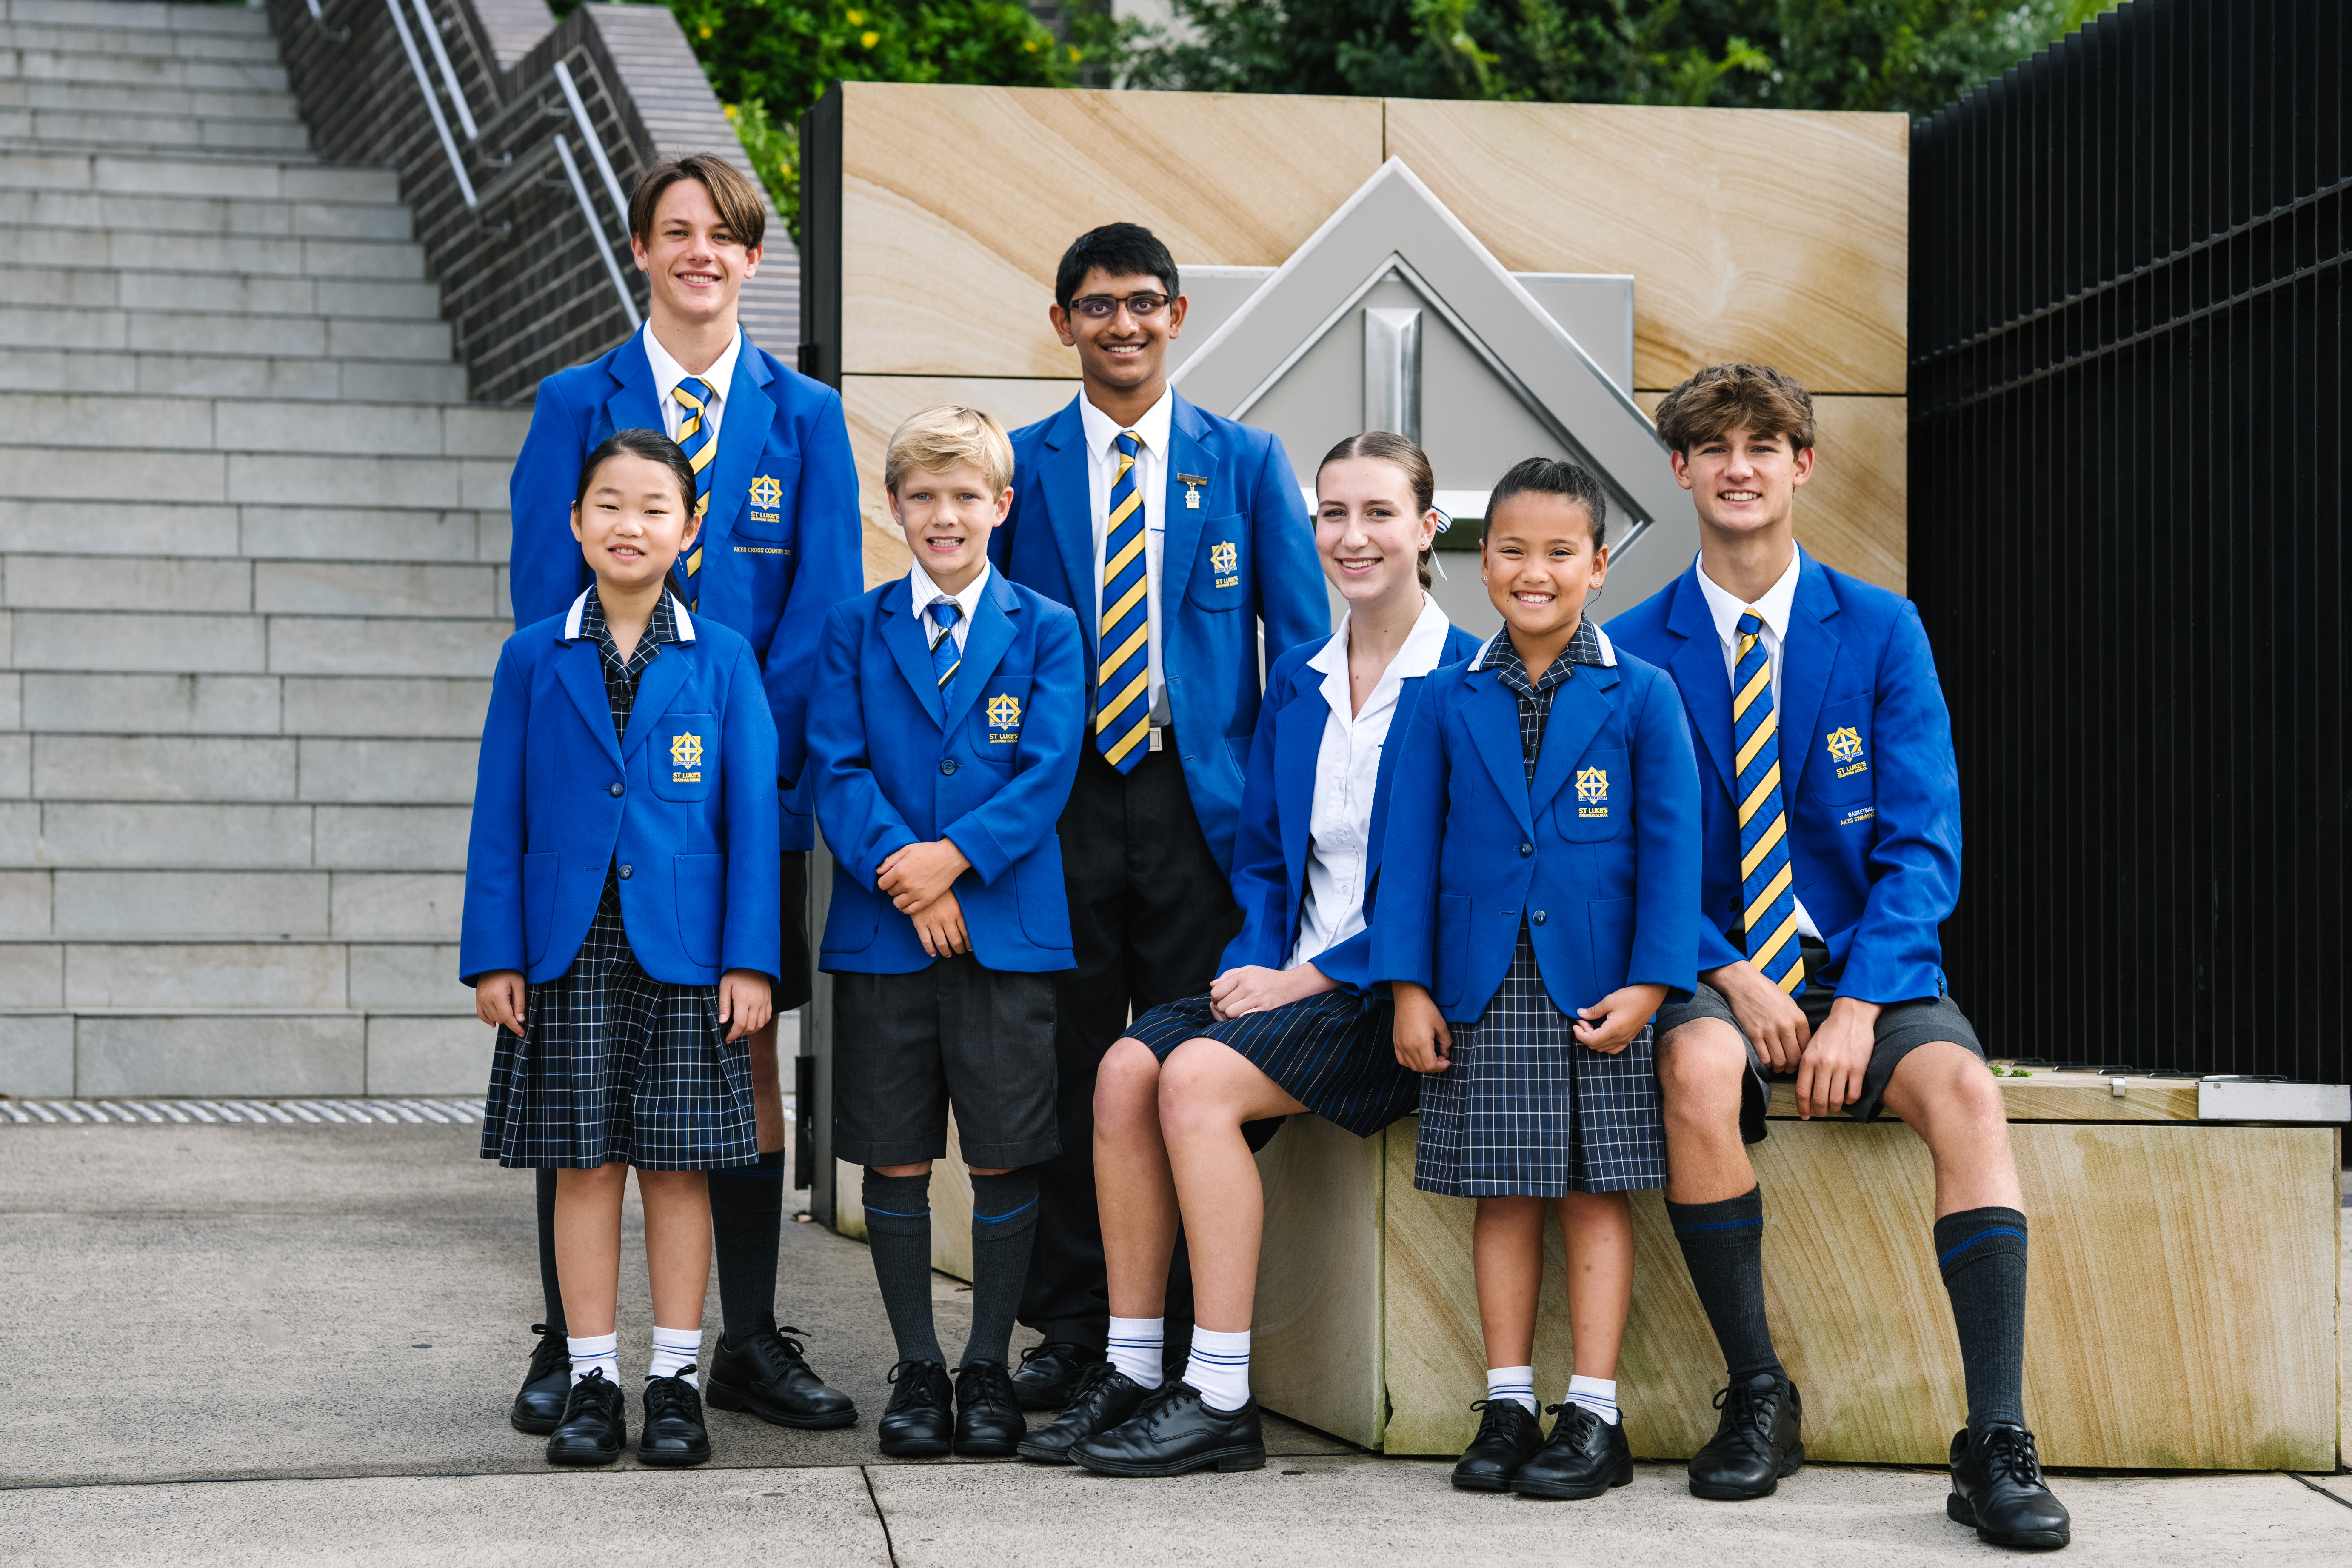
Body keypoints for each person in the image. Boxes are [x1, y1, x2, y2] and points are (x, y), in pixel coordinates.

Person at [1606, 363, 2071, 1548]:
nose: (1741, 465)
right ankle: (1759, 1391)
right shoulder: (1630, 651)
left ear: (1804, 463)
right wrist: (1727, 967)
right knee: (1701, 1073)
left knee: (1966, 1090)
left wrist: (1863, 998)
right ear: (1681, 470)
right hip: (1715, 967)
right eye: (1714, 446)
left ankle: (1996, 1437)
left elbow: (1924, 842)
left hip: (1865, 963)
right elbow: (1627, 863)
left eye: (1766, 444)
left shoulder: (1880, 627)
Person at [1008, 433, 1481, 1476]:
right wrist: (1256, 966)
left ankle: (1219, 1394)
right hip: (1290, 976)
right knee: (1125, 1068)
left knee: (1192, 1081)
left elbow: (1457, 883)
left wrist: (1306, 977)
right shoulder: (1301, 681)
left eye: (1378, 514)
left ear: (1426, 528)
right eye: (1334, 515)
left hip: (1395, 993)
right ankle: (1131, 1370)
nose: (1352, 538)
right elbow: (1267, 859)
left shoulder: (1469, 684)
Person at [502, 154, 861, 1437]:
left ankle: (749, 1337)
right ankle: (574, 1341)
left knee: (737, 1055)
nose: (701, 251)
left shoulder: (805, 414)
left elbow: (822, 618)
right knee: (576, 1062)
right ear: (642, 249)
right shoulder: (570, 401)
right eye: (677, 231)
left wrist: (759, 786)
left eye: (725, 235)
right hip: (604, 803)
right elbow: (538, 595)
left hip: (741, 799)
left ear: (756, 260)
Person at [991, 223, 1328, 1405]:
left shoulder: (1243, 462)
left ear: (1179, 315)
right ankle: (1081, 1328)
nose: (1122, 324)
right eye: (1096, 305)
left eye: (1143, 303)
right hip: (1060, 800)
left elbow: (1300, 660)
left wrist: (1287, 824)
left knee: (1191, 1052)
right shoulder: (1018, 467)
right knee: (1079, 1065)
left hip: (1204, 807)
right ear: (1063, 322)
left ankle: (1186, 1332)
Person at [1373, 457, 1701, 1501]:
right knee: (1504, 1193)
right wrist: (1407, 987)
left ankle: (1593, 1414)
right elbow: (1406, 852)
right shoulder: (1440, 700)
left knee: (1596, 1193)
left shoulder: (1643, 693)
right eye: (1511, 549)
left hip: (1601, 990)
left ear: (1597, 566)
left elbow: (1671, 852)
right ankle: (1509, 1400)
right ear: (1480, 564)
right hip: (1479, 987)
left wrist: (1653, 986)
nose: (1533, 571)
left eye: (1559, 552)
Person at [462, 429, 782, 1468]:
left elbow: (750, 822)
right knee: (584, 1165)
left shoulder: (723, 656)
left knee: (679, 1169)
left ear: (690, 528)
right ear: (576, 524)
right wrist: (494, 954)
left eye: (654, 507)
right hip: (566, 949)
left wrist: (749, 960)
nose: (629, 523)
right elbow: (497, 817)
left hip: (687, 951)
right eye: (608, 504)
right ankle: (593, 1374)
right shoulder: (532, 654)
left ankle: (675, 1379)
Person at [807, 406, 1085, 1458]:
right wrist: (911, 879)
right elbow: (836, 767)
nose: (945, 514)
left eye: (967, 495)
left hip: (1004, 930)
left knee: (1008, 1156)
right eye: (922, 495)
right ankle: (918, 1365)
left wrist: (954, 863)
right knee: (894, 1155)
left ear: (1001, 506)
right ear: (894, 507)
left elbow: (1046, 770)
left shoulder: (1048, 628)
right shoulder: (853, 625)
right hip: (887, 935)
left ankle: (985, 1368)